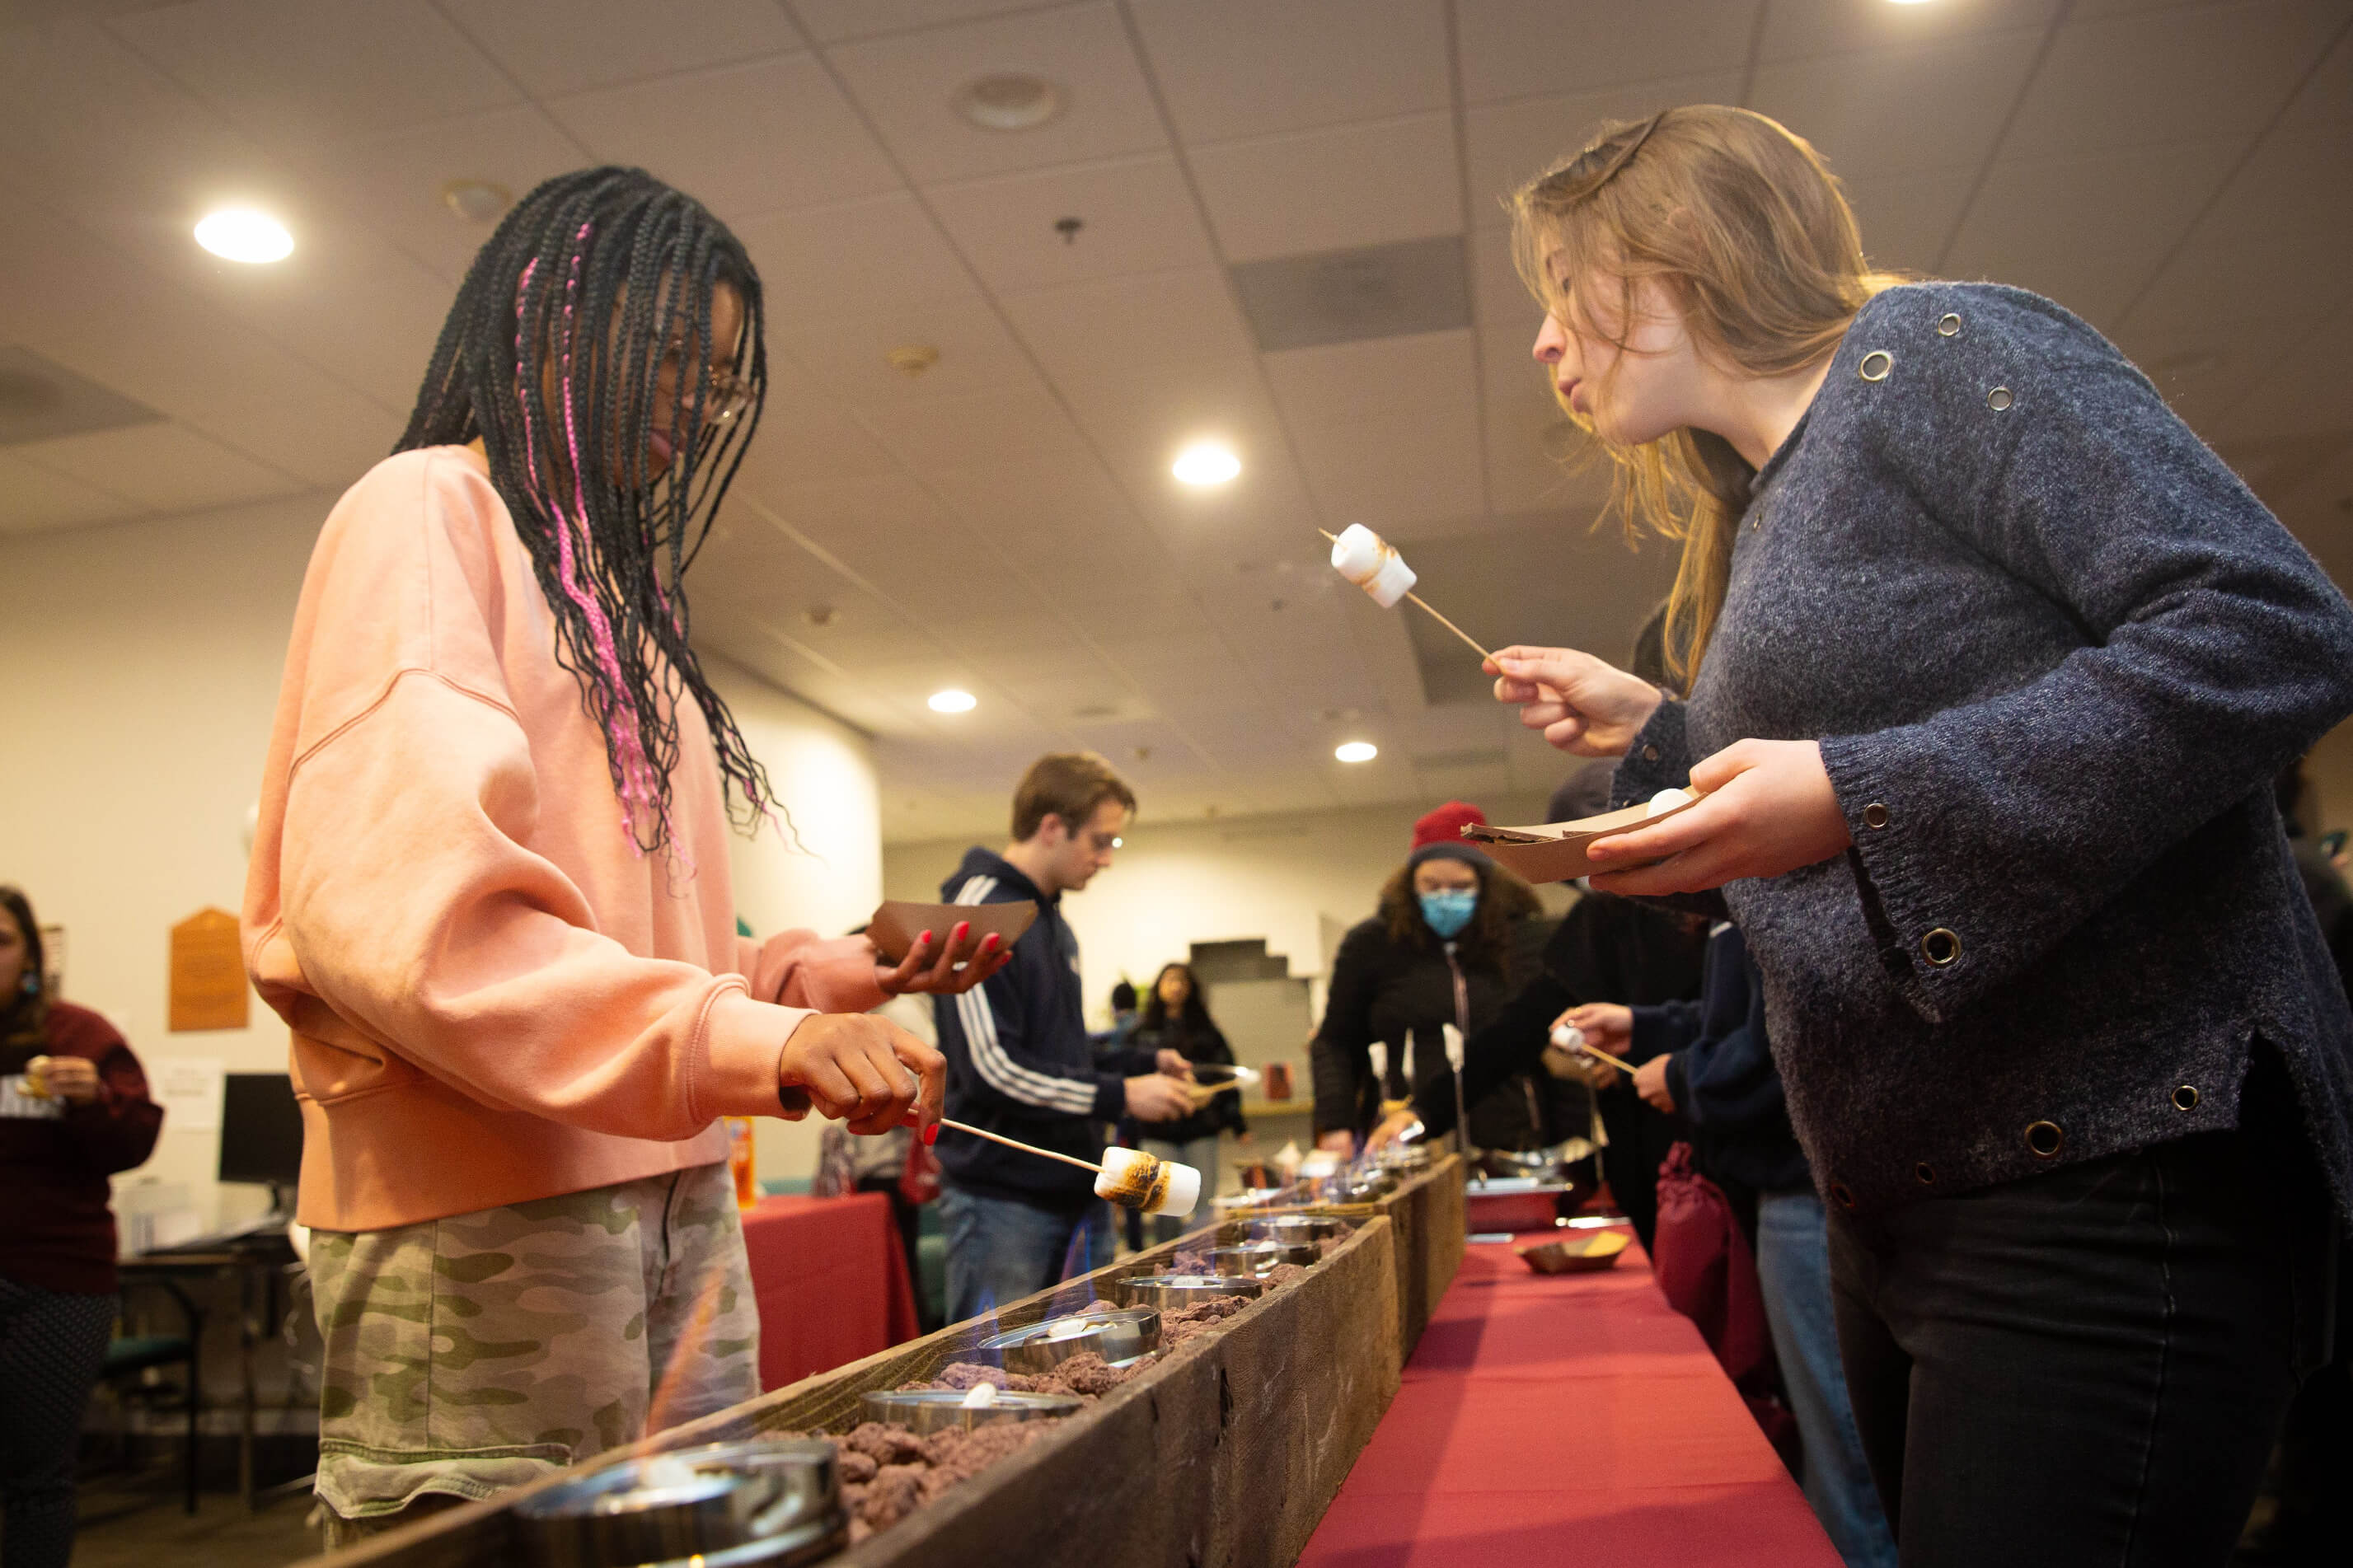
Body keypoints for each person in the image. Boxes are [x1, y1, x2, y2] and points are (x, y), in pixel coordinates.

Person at [1485, 105, 2353, 1563]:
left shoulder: (1941, 352)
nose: (1542, 341)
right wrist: (1663, 736)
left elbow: (2273, 631)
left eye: (1562, 288)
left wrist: (1851, 788)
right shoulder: (1760, 509)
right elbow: (1852, 804)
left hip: (2112, 1149)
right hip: (1914, 1191)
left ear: (1674, 252)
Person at [241, 168, 1005, 1544]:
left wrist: (803, 978)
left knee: (694, 1541)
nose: (689, 406)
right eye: (666, 359)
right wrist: (733, 1028)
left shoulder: (616, 608)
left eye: (713, 385)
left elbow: (646, 953)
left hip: (674, 1193)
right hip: (483, 1212)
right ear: (542, 316)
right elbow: (415, 926)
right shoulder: (427, 511)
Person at [1567, 924, 1896, 1568]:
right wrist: (1647, 1027)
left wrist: (1688, 1077)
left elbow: (1791, 1033)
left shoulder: (1771, 875)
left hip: (1810, 1189)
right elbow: (1742, 1009)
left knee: (1847, 1451)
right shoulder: (1736, 899)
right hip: (1796, 1188)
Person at [931, 753, 1195, 1319]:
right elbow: (993, 1068)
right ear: (1051, 827)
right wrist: (1121, 1095)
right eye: (1100, 841)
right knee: (990, 1391)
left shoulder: (1053, 921)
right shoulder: (978, 909)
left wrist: (1141, 1061)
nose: (1104, 859)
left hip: (1079, 1185)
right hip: (1002, 1200)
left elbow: (1060, 1051)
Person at [0, 887, 163, 1568]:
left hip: (56, 1288)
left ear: (31, 957)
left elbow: (135, 1139)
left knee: (35, 1476)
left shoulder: (78, 1037)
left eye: (1, 941)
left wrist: (95, 1100)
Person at [1310, 803, 1554, 1155]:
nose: (1445, 897)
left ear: (1485, 885)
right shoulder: (1372, 944)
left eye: (1460, 886)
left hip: (1511, 1139)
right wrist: (1336, 1124)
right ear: (1411, 884)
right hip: (1403, 1141)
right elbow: (1334, 1041)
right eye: (1431, 885)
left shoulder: (1524, 941)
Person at [1131, 963, 1246, 1245]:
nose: (1176, 986)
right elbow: (1130, 1074)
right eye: (1170, 979)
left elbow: (1225, 1072)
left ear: (1191, 987)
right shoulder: (1142, 1031)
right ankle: (1164, 1264)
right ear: (1159, 986)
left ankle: (1202, 1261)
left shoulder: (1206, 1029)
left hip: (1200, 1127)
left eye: (1182, 980)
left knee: (1202, 1199)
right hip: (1158, 1129)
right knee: (1162, 1202)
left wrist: (1236, 1121)